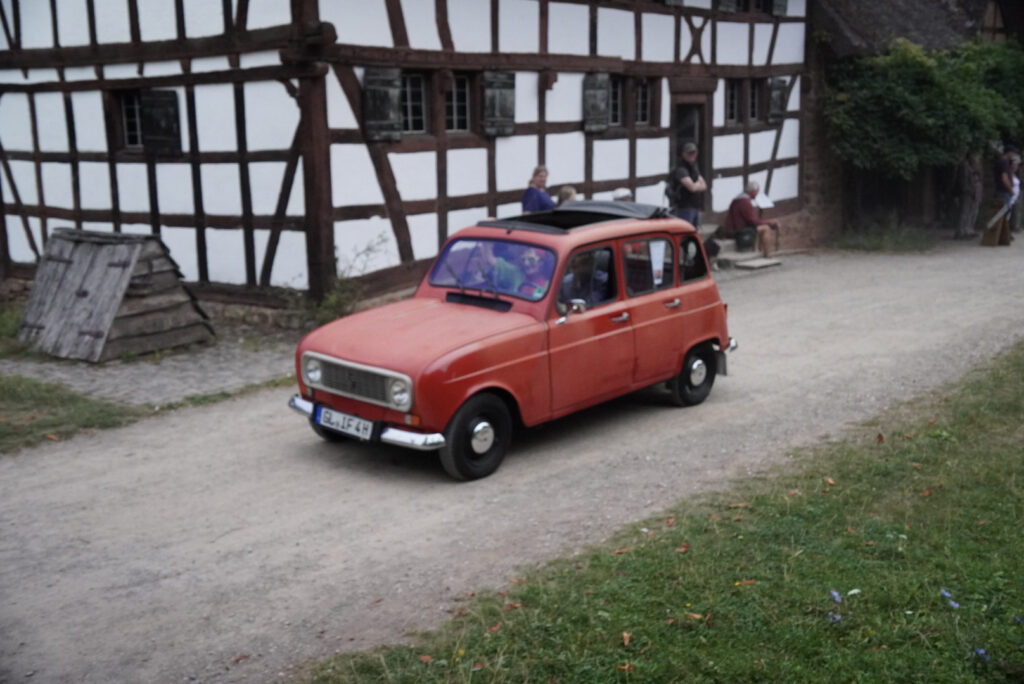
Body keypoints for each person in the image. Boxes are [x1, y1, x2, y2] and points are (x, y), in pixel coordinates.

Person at [718, 180, 781, 258]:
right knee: (766, 229)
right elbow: (752, 221)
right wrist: (768, 222)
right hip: (739, 230)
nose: (757, 194)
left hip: (733, 228)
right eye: (757, 192)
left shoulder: (736, 200)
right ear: (753, 191)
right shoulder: (745, 202)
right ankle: (767, 254)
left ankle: (758, 250)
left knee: (762, 226)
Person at [669, 142, 707, 227]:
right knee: (685, 232)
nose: (692, 155)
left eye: (694, 153)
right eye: (689, 153)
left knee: (693, 232)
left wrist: (695, 184)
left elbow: (704, 185)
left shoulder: (694, 167)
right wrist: (697, 184)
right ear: (684, 154)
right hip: (684, 207)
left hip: (695, 207)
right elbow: (692, 188)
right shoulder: (681, 169)